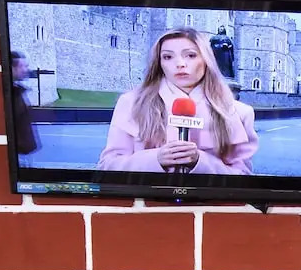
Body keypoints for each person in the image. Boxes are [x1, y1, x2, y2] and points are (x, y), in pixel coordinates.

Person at [96, 28, 257, 175]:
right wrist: (155, 159)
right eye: (168, 57)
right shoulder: (131, 103)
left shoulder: (240, 113)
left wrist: (200, 161)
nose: (180, 64)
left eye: (191, 55)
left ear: (206, 60)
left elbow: (243, 177)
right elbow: (108, 166)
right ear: (159, 63)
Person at [10, 51, 40, 165]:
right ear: (12, 68)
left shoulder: (16, 92)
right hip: (17, 156)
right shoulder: (10, 94)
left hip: (21, 154)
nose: (26, 70)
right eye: (23, 66)